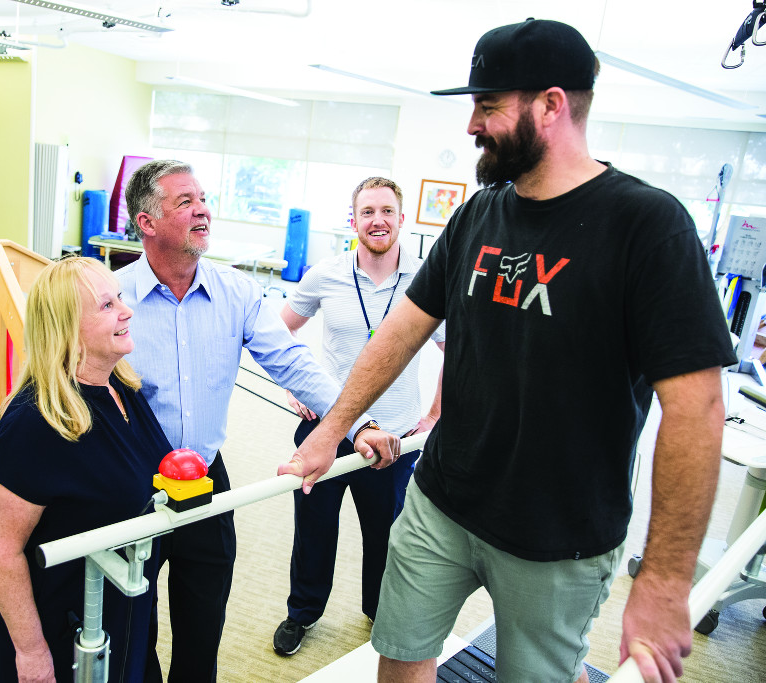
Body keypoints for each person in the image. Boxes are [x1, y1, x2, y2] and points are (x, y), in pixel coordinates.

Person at [279, 18, 737, 683]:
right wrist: (331, 430)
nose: (472, 125)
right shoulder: (479, 213)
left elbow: (697, 409)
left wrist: (665, 580)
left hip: (559, 535)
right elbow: (401, 331)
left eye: (488, 106)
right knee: (399, 654)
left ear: (551, 105)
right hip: (442, 500)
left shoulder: (647, 224)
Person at [117, 159, 400, 682]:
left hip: (204, 478)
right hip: (130, 482)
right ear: (147, 222)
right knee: (131, 628)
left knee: (203, 623)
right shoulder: (112, 298)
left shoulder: (237, 292)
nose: (203, 210)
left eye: (204, 199)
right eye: (185, 202)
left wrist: (356, 425)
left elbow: (293, 362)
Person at [272, 176, 446, 656]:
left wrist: (435, 414)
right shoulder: (326, 274)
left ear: (402, 219)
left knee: (387, 536)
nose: (378, 221)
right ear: (353, 221)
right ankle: (302, 613)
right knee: (314, 532)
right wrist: (296, 387)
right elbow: (276, 333)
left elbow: (457, 350)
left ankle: (378, 612)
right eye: (367, 212)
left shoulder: (427, 278)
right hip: (327, 430)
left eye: (387, 211)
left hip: (393, 438)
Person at [0, 257, 168, 683]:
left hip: (119, 603)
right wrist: (31, 652)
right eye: (107, 305)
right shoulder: (34, 424)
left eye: (120, 297)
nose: (127, 311)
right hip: (63, 623)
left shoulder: (119, 384)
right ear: (68, 329)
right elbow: (0, 549)